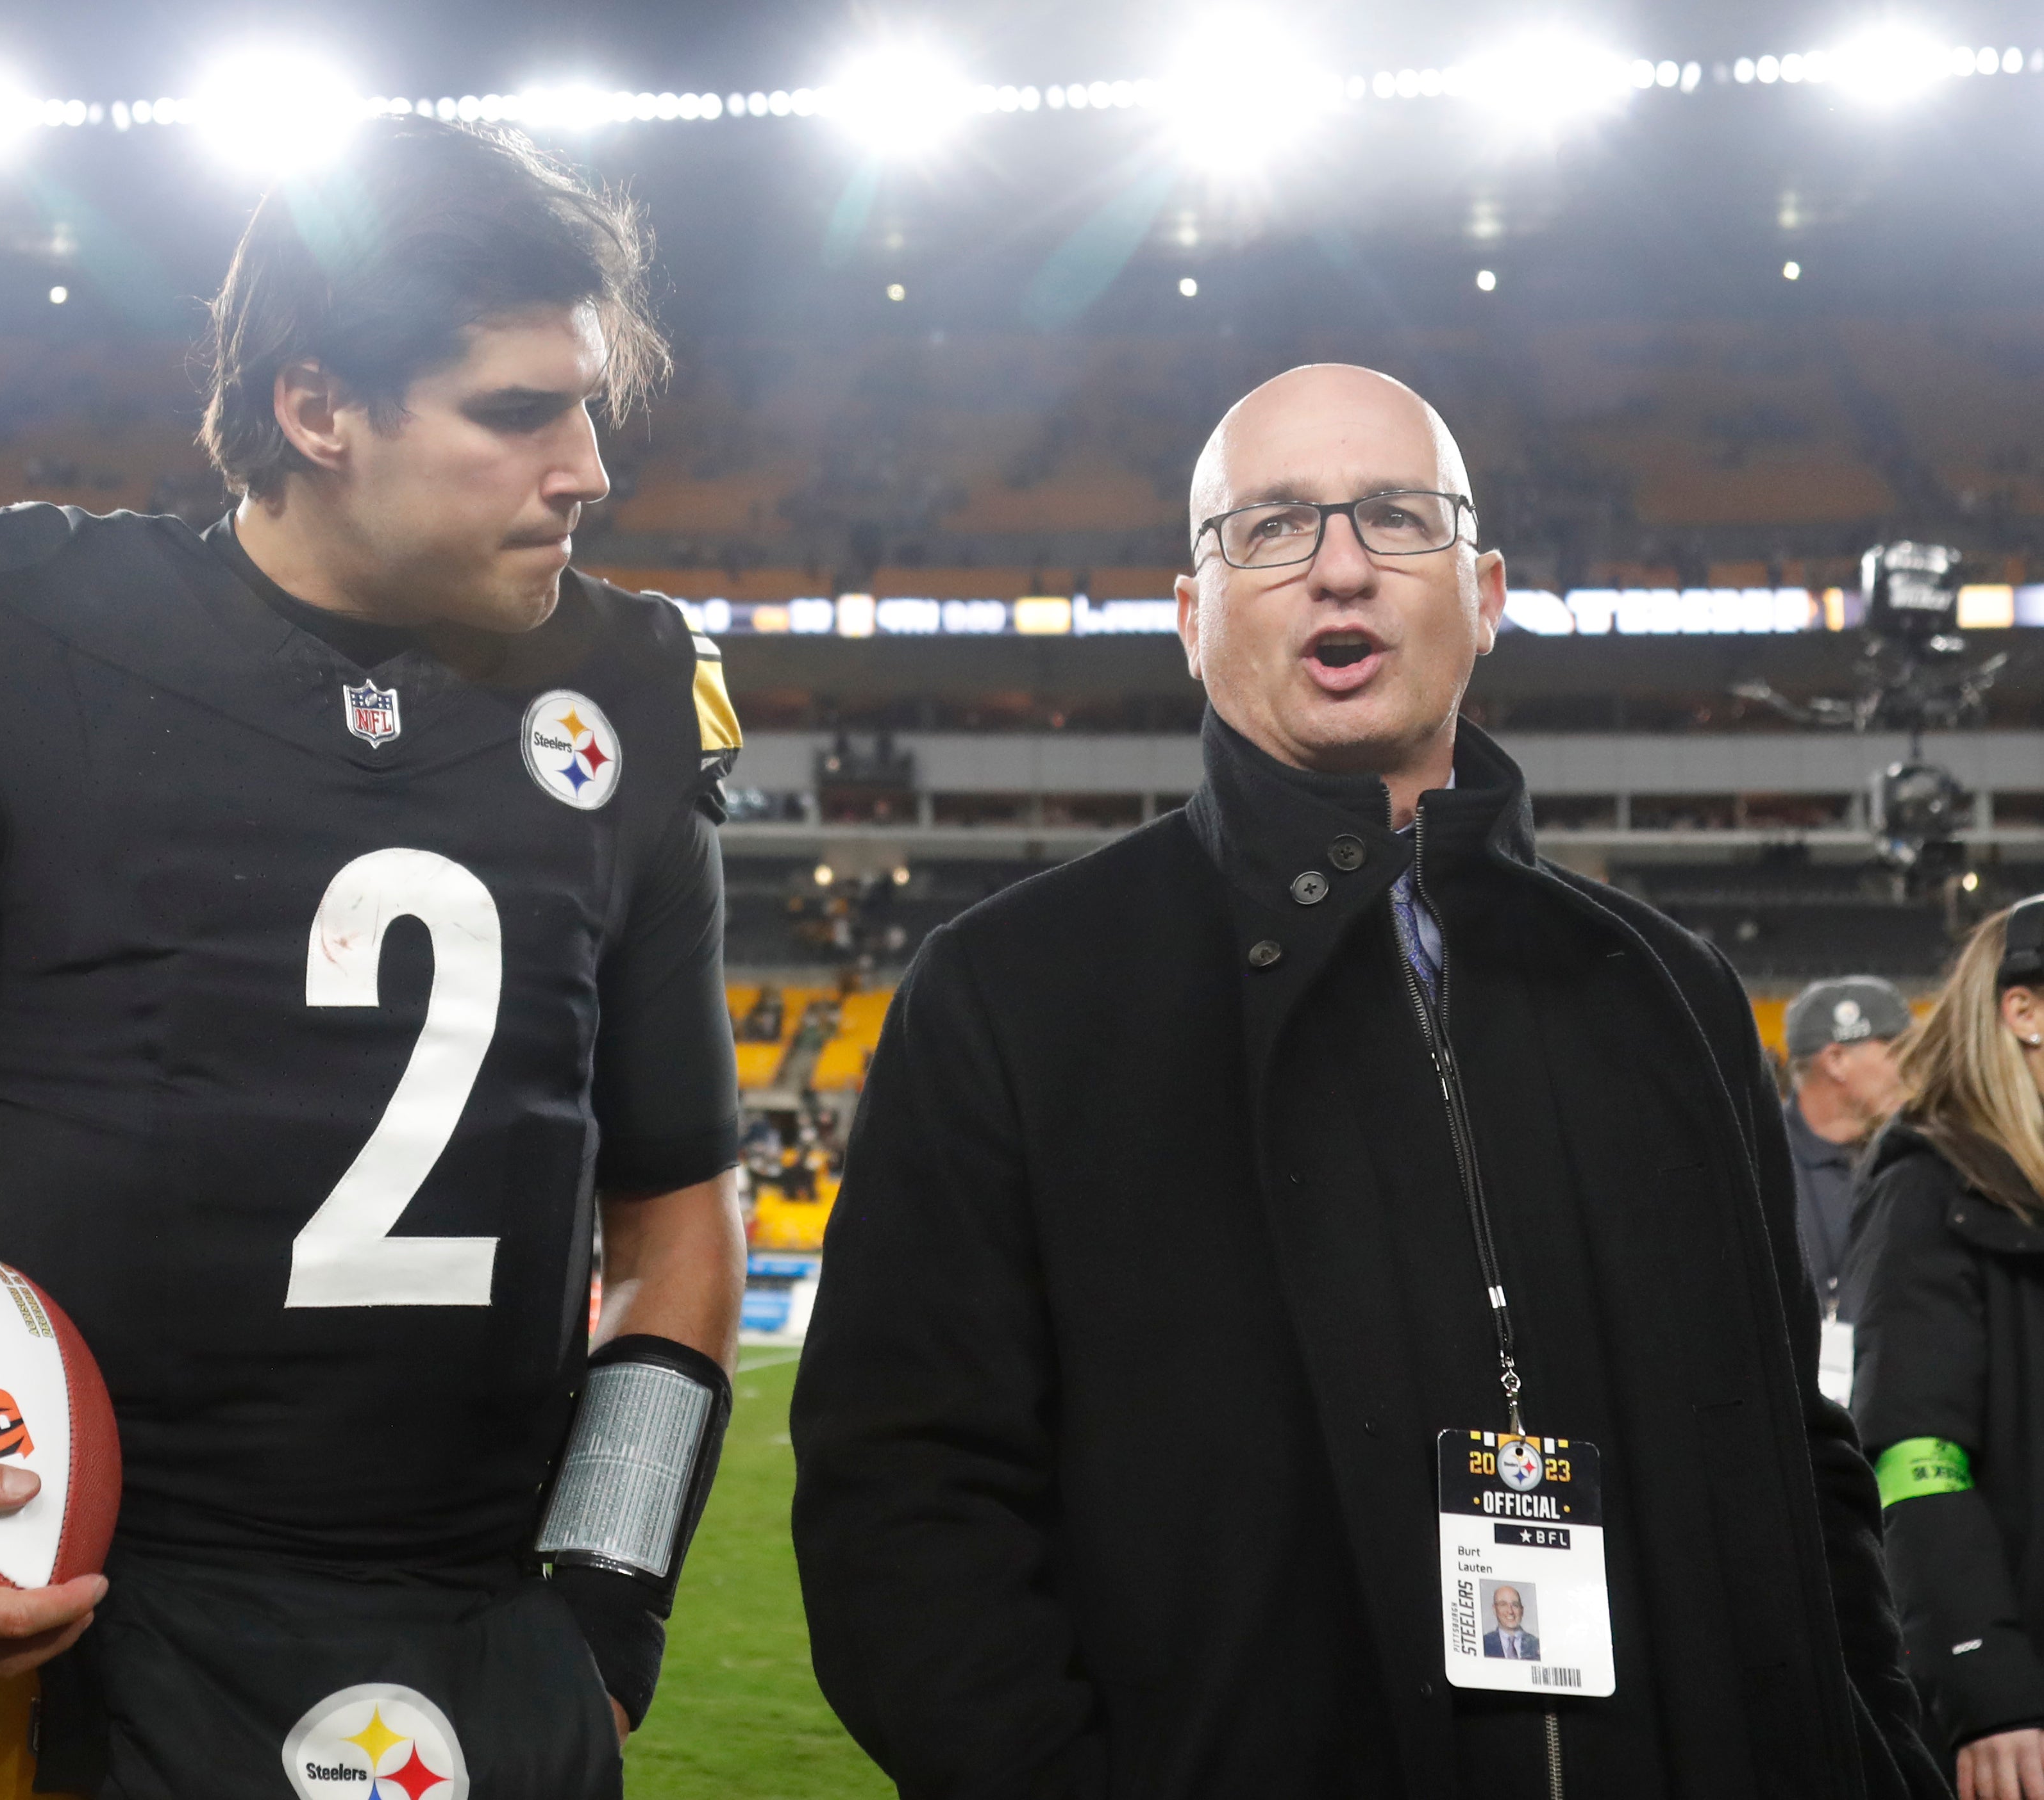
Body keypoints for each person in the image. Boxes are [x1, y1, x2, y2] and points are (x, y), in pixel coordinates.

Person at [0, 118, 747, 1800]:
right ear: (315, 409)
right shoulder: (5, 642)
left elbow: (677, 1227)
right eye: (517, 411)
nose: (585, 466)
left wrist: (605, 1609)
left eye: (584, 403)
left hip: (499, 1663)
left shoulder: (632, 693)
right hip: (104, 1648)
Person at [792, 363, 1945, 1799]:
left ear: (1489, 592)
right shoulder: (1012, 996)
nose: (1340, 567)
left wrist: (1879, 1754)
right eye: (1271, 528)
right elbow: (903, 1506)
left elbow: (1801, 1456)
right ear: (1191, 615)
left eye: (1398, 518)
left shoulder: (1671, 995)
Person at [1847, 896, 2044, 1800]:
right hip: (2019, 1702)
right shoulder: (1929, 1189)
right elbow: (1915, 1456)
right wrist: (1986, 1687)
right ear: (2022, 1011)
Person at [1782, 977, 1913, 1318]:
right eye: (1896, 1051)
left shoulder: (1912, 1154)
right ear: (1836, 1060)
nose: (1912, 1067)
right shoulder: (1758, 1163)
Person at [1482, 1587, 1539, 1662]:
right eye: (1503, 1605)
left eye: (1515, 1605)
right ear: (1494, 1609)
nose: (1510, 1611)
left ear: (1522, 1610)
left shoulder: (1536, 1645)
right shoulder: (1484, 1644)